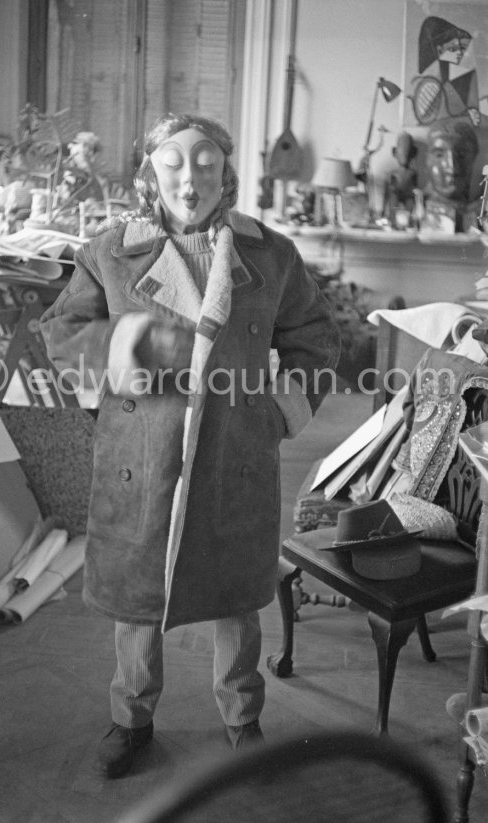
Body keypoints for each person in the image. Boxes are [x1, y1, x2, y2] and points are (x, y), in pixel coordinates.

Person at [40, 112, 341, 779]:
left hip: (236, 446)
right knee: (140, 595)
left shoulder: (269, 253)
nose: (190, 176)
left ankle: (243, 716)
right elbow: (62, 332)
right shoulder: (113, 250)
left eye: (206, 161)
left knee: (235, 594)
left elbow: (318, 337)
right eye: (173, 161)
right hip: (139, 453)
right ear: (151, 170)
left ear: (226, 171)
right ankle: (131, 715)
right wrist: (125, 347)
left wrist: (278, 411)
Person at [423, 119, 479, 232]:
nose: (452, 167)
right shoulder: (419, 209)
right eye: (439, 155)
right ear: (427, 161)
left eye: (462, 155)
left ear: (473, 159)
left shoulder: (479, 211)